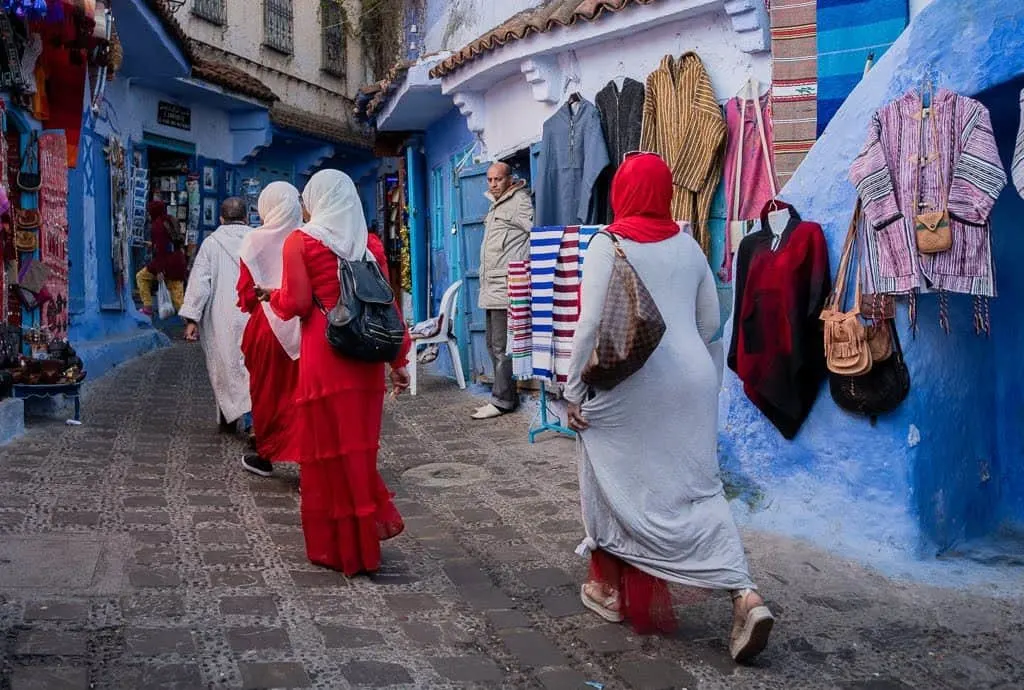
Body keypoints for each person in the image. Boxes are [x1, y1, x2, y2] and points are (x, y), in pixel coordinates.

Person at [564, 153, 774, 662]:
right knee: (698, 487)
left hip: (634, 384)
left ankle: (611, 590)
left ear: (622, 193)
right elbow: (709, 322)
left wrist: (571, 390)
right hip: (693, 381)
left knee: (609, 477)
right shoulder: (690, 246)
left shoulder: (606, 245)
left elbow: (591, 324)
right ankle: (744, 594)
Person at [259, 169, 411, 576]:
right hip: (364, 363)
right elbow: (387, 308)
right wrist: (398, 362)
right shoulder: (369, 245)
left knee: (327, 453)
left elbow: (296, 303)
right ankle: (363, 547)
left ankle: (338, 548)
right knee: (359, 452)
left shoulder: (300, 243)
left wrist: (272, 298)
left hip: (324, 357)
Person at [236, 182, 303, 477]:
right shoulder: (305, 238)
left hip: (266, 326)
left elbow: (246, 295)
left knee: (266, 392)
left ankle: (266, 454)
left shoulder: (253, 242)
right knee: (302, 395)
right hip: (304, 327)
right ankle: (307, 462)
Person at [179, 197, 253, 435]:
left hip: (223, 317)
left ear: (221, 219)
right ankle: (254, 421)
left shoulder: (212, 244)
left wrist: (192, 319)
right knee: (252, 369)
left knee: (226, 365)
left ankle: (229, 418)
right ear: (246, 218)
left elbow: (200, 283)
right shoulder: (257, 240)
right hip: (253, 313)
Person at [471, 162, 533, 420]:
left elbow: (533, 234)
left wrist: (521, 268)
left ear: (510, 179)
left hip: (506, 285)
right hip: (492, 285)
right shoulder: (497, 205)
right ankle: (503, 395)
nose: (493, 184)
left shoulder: (519, 201)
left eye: (498, 179)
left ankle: (503, 400)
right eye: (489, 180)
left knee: (501, 347)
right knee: (493, 344)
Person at [136, 200, 187, 316]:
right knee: (179, 301)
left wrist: (159, 271)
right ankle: (192, 327)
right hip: (178, 262)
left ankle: (148, 307)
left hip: (165, 263)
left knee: (141, 277)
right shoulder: (171, 219)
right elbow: (171, 242)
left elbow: (160, 249)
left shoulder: (157, 225)